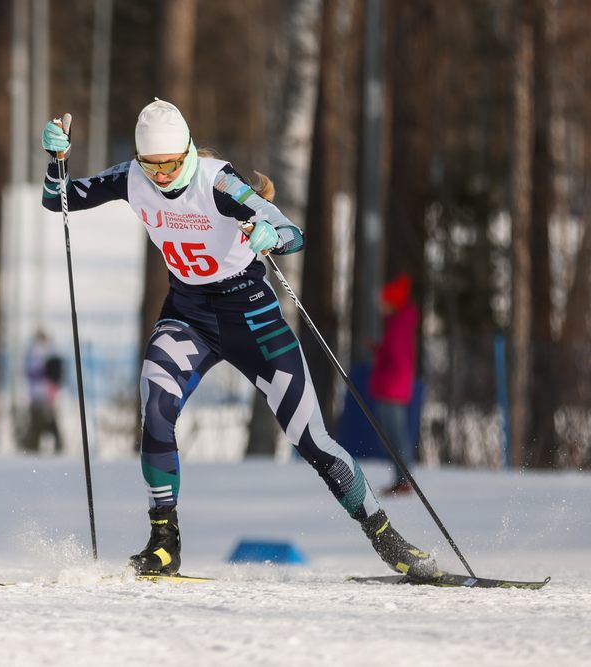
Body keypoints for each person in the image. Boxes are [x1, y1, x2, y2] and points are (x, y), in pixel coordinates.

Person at [40, 99, 438, 579]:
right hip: (189, 319)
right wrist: (55, 160)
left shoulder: (219, 182)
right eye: (153, 164)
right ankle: (164, 543)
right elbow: (60, 197)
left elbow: (293, 232)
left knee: (310, 437)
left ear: (186, 151)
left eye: (170, 163)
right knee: (156, 408)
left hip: (254, 322)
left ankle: (386, 536)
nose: (162, 175)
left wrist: (271, 234)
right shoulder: (133, 177)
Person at [369, 273, 419, 496]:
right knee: (393, 436)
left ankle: (404, 480)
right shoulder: (397, 324)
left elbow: (398, 360)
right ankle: (401, 479)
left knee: (395, 436)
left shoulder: (397, 327)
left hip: (392, 389)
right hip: (393, 388)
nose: (380, 306)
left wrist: (383, 359)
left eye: (384, 301)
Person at [21, 329, 64, 454]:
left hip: (40, 395)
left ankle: (34, 448)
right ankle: (39, 448)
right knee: (44, 424)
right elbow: (37, 373)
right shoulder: (38, 352)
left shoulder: (37, 352)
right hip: (42, 395)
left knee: (41, 425)